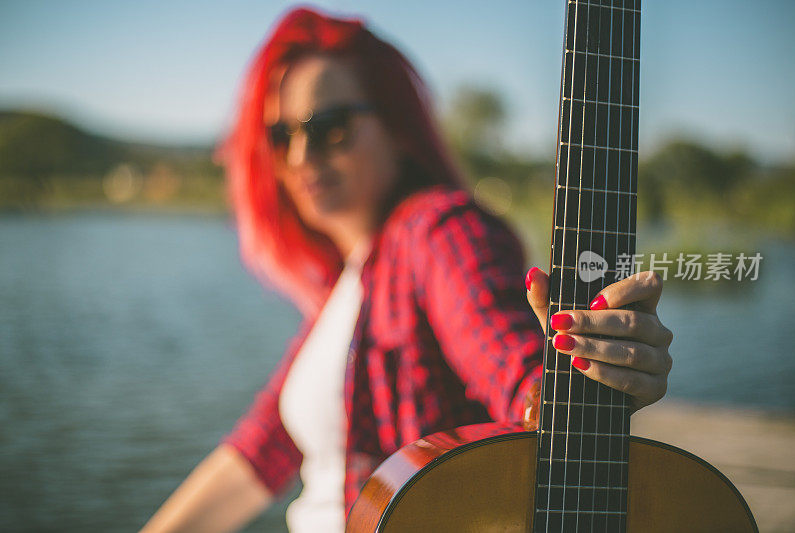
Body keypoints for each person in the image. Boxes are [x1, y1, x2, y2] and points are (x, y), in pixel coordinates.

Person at [141, 7, 673, 533]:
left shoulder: (439, 231)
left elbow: (503, 353)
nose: (302, 155)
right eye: (281, 136)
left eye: (329, 127)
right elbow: (259, 454)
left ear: (396, 127)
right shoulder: (350, 282)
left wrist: (568, 386)